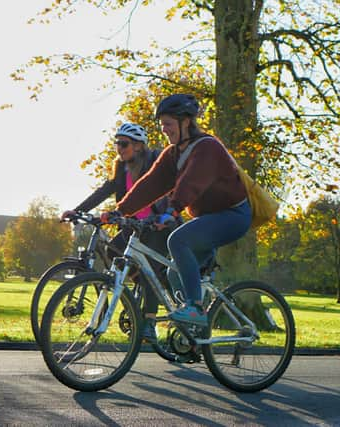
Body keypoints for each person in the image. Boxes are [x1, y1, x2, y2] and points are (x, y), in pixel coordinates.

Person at [103, 94, 252, 326]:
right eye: (162, 125)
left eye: (169, 124)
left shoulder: (207, 147)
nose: (164, 130)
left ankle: (194, 308)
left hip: (233, 216)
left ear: (186, 122)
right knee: (174, 272)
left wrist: (172, 211)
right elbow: (151, 184)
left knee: (177, 240)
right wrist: (121, 211)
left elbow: (192, 182)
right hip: (209, 218)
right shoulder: (174, 153)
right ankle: (192, 335)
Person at [61, 122, 172, 342]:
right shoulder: (121, 169)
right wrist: (78, 209)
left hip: (156, 225)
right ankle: (145, 290)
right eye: (117, 144)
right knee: (114, 254)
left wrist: (167, 214)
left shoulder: (153, 163)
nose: (119, 148)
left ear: (139, 146)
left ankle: (149, 322)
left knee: (150, 272)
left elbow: (169, 189)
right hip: (132, 227)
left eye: (124, 144)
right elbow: (105, 190)